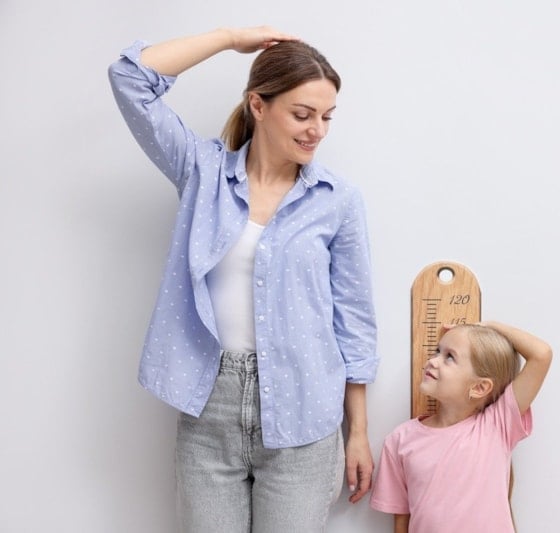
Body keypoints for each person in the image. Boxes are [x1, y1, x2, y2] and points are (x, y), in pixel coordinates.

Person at [108, 26, 379, 532]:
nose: (317, 130)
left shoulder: (337, 201)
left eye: (326, 117)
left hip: (305, 411)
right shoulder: (202, 171)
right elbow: (129, 78)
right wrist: (230, 38)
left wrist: (358, 431)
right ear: (258, 105)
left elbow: (355, 323)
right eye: (302, 114)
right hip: (209, 409)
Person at [370, 321, 552, 532]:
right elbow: (401, 517)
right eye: (437, 351)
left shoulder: (497, 425)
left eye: (450, 357)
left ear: (480, 387)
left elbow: (541, 354)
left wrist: (487, 325)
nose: (432, 361)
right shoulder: (400, 439)